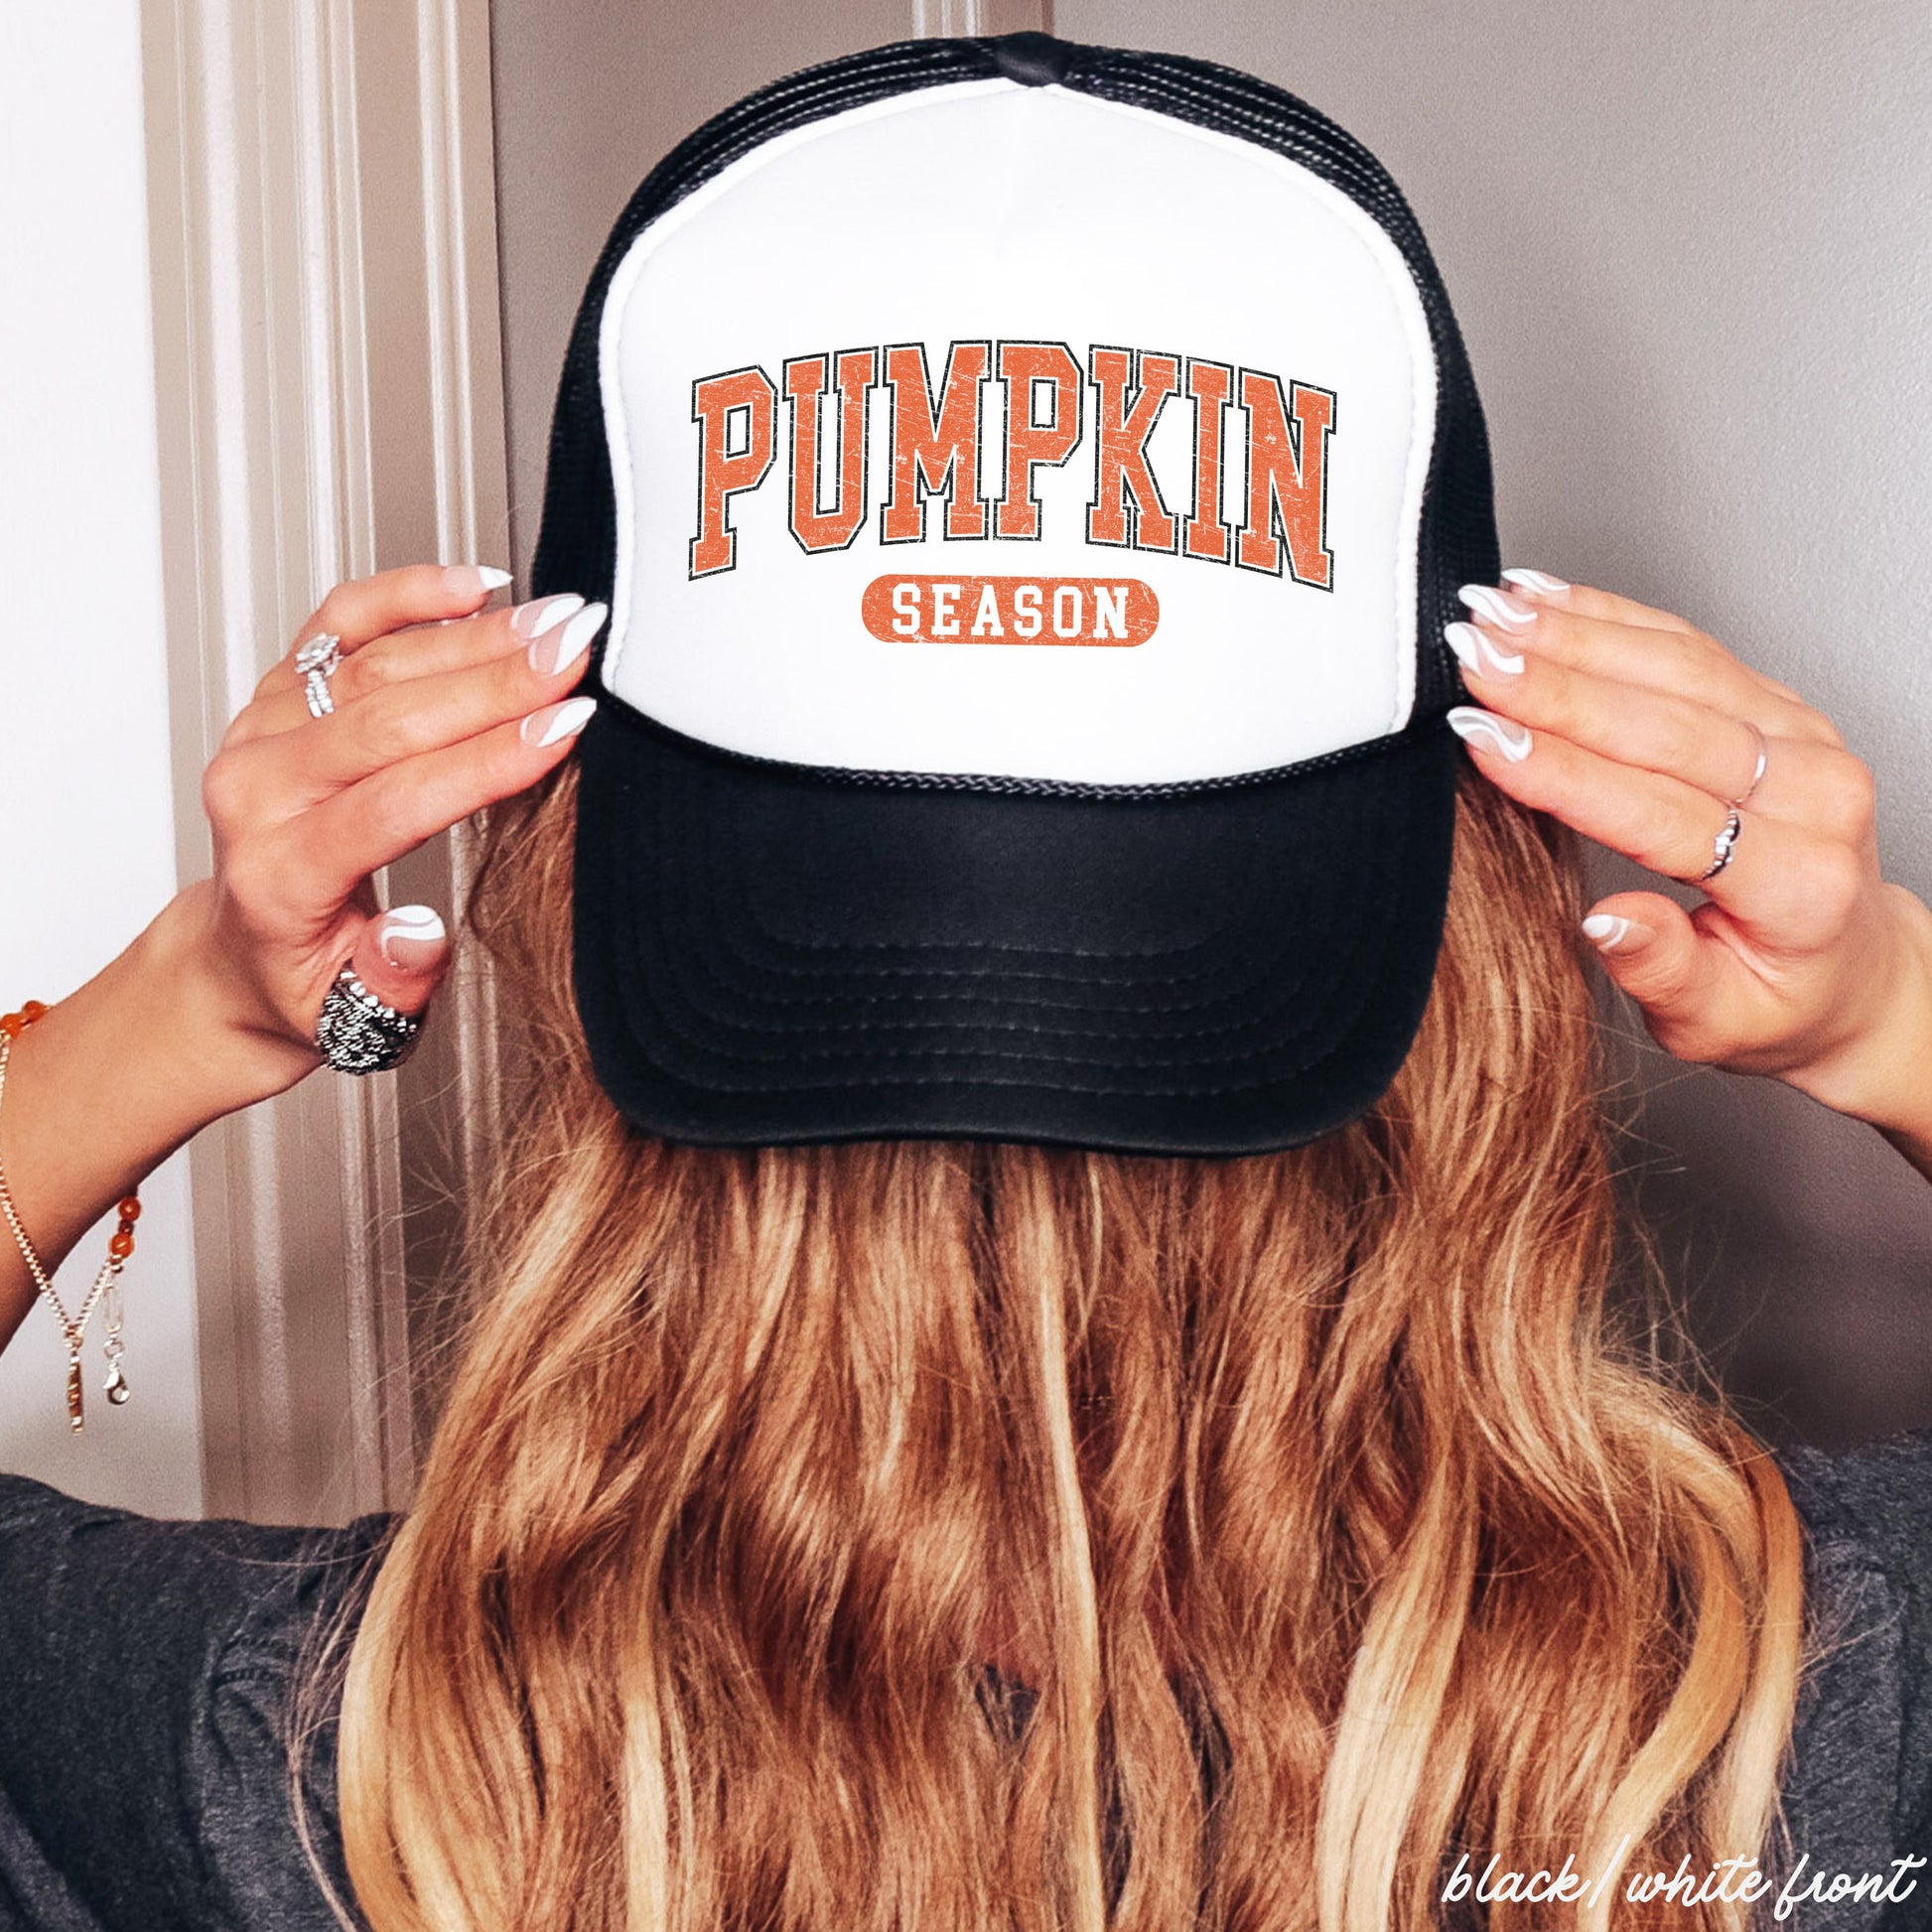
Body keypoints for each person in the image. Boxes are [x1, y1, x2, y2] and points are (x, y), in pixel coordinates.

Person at [7, 34, 1932, 1932]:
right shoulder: (1756, 1738)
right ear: (1486, 897)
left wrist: (201, 994)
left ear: (555, 875)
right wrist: (1887, 1008)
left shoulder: (342, 1776)